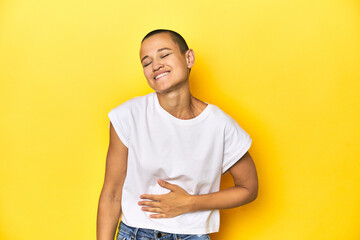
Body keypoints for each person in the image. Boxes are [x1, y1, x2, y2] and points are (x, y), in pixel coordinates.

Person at [97, 29, 258, 240]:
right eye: (147, 63)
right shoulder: (127, 116)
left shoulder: (219, 125)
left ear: (188, 58)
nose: (156, 65)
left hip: (192, 235)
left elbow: (249, 188)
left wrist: (191, 203)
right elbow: (111, 195)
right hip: (135, 233)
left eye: (164, 55)